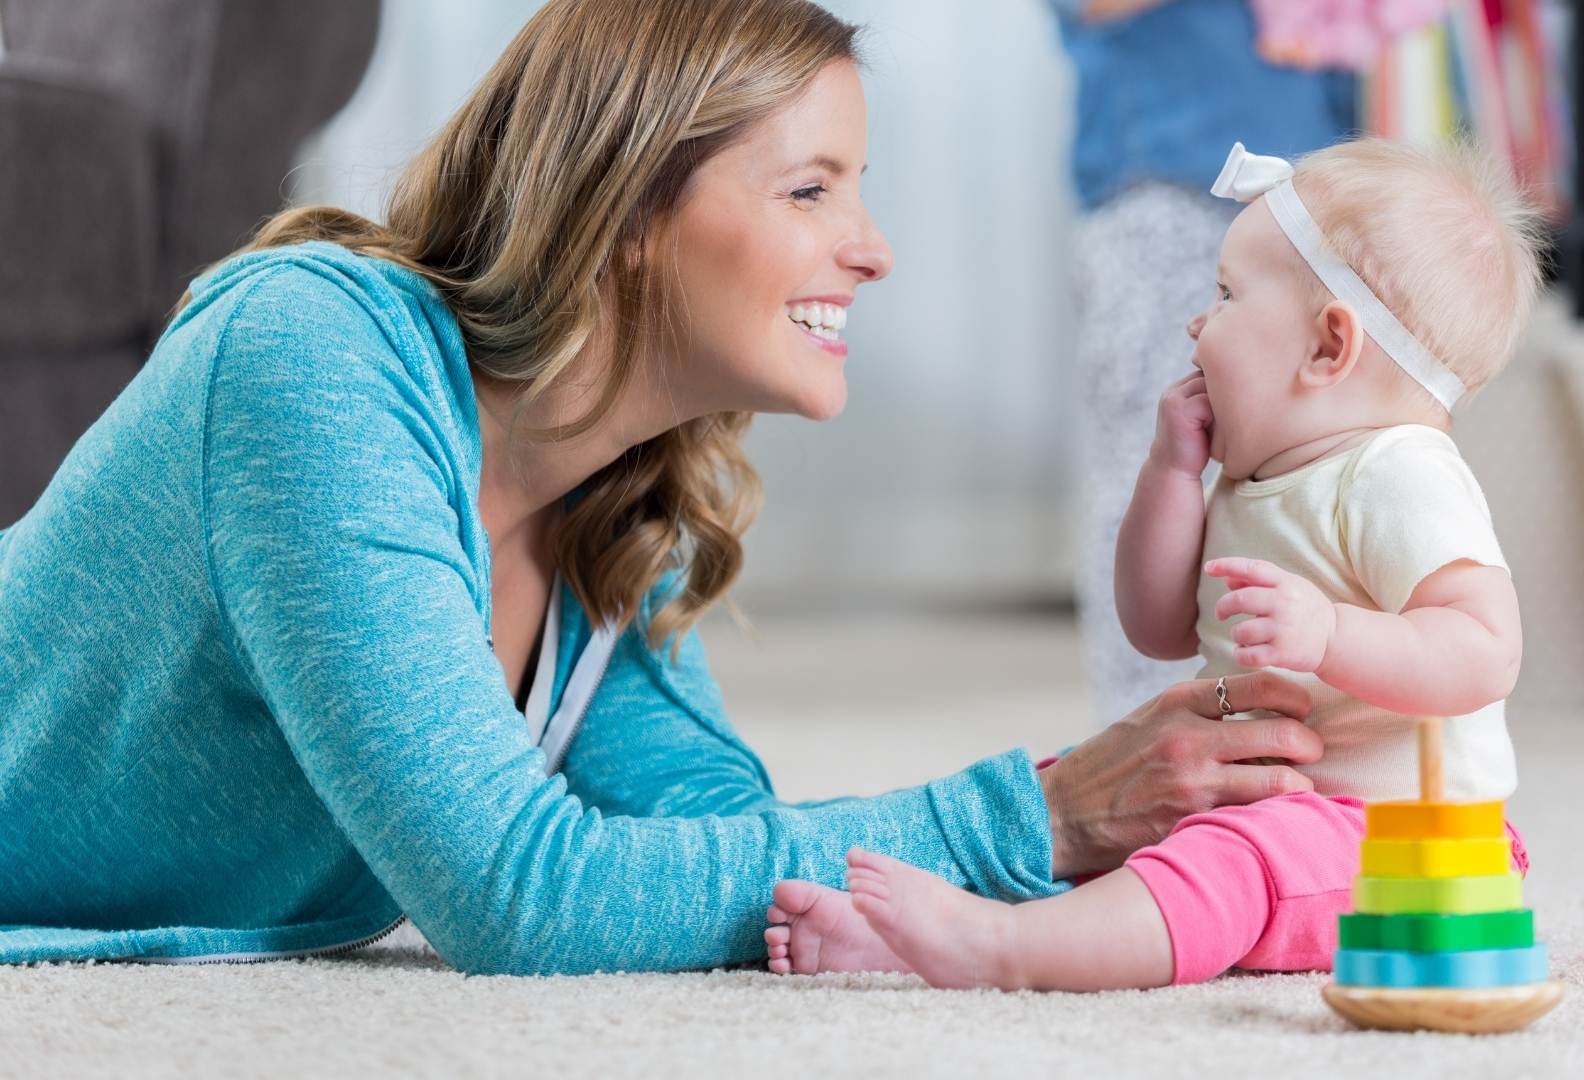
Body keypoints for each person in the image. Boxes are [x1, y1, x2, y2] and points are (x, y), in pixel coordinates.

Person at [0, 0, 1321, 975]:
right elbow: (515, 895)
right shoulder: (316, 356)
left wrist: (1053, 887)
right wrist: (1036, 811)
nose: (873, 250)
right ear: (623, 209)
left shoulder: (621, 510)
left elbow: (720, 847)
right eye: (812, 189)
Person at [765, 137, 1544, 989]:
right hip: (1268, 799)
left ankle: (1006, 951)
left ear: (1328, 347)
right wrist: (1170, 475)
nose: (1197, 322)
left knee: (1233, 857)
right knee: (1097, 794)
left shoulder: (1399, 470)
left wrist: (1331, 633)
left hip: (1409, 843)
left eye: (1226, 295)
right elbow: (1159, 625)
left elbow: (1484, 648)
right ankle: (899, 937)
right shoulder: (1253, 482)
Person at [1048, 0, 1357, 727]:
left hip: (1305, 189)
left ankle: (1279, 700)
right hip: (1166, 191)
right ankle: (1144, 720)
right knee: (1153, 452)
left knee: (1307, 461)